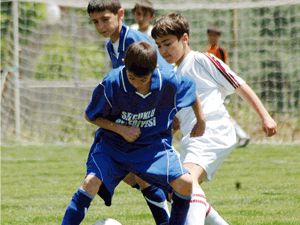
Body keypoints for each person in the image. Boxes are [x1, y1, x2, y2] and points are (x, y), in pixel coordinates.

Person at [61, 41, 206, 225]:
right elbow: (90, 116)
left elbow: (191, 90)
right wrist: (120, 129)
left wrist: (201, 120)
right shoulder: (111, 83)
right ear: (124, 65)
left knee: (185, 183)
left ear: (153, 70)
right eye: (131, 78)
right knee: (90, 182)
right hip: (113, 146)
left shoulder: (167, 80)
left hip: (152, 147)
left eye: (142, 80)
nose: (136, 84)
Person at [152, 13, 277, 225]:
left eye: (167, 44)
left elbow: (239, 84)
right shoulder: (173, 74)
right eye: (159, 46)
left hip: (212, 131)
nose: (163, 51)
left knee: (186, 182)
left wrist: (265, 116)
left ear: (184, 39)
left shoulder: (202, 60)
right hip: (192, 138)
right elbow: (179, 117)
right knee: (176, 190)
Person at [87, 1, 173, 223]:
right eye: (95, 22)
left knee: (141, 172)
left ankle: (169, 198)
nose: (101, 26)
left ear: (120, 14)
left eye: (105, 19)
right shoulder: (111, 45)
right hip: (135, 116)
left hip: (152, 115)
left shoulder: (135, 41)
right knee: (132, 172)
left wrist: (168, 115)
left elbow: (163, 76)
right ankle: (166, 197)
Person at [206, 25, 251, 147]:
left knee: (221, 115)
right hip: (213, 89)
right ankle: (239, 136)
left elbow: (222, 69)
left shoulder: (220, 51)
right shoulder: (207, 51)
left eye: (215, 35)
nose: (213, 37)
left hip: (221, 88)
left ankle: (241, 135)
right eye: (211, 35)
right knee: (219, 115)